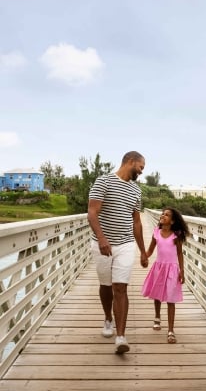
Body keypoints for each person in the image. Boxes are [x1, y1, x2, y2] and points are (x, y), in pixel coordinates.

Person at [88, 151, 148, 354]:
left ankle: (121, 336)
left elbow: (137, 222)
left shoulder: (136, 190)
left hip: (125, 244)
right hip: (101, 244)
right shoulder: (103, 181)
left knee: (120, 288)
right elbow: (92, 212)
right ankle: (107, 318)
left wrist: (142, 251)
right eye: (140, 167)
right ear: (130, 162)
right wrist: (103, 239)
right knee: (106, 285)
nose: (141, 172)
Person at [141, 207, 189, 344]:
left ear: (172, 221)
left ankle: (171, 330)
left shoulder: (176, 235)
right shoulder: (156, 232)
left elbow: (179, 253)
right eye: (163, 213)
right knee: (157, 294)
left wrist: (182, 271)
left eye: (167, 215)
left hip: (172, 269)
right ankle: (157, 316)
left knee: (170, 299)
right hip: (159, 267)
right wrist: (144, 256)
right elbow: (150, 249)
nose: (163, 215)